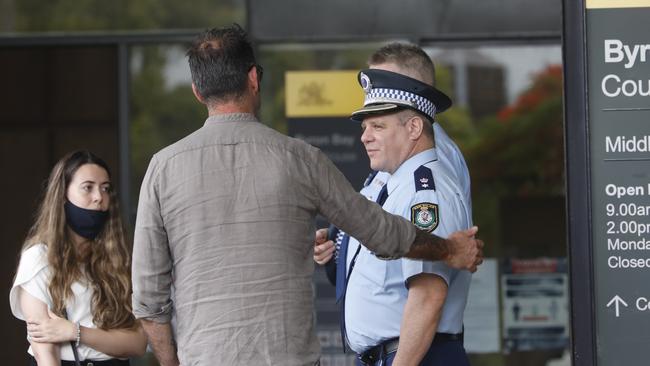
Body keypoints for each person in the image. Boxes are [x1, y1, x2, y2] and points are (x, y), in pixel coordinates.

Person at [131, 24, 483, 366]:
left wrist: (171, 361)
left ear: (197, 91)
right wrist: (448, 249)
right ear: (254, 79)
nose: (367, 136)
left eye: (377, 125)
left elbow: (148, 299)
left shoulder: (162, 169)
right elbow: (381, 232)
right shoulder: (300, 159)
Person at [313, 46, 474, 366]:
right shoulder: (389, 182)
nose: (365, 137)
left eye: (378, 127)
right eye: (365, 127)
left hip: (414, 356)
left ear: (414, 128)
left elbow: (428, 295)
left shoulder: (425, 191)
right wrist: (336, 250)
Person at [10, 150, 147, 366]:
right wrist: (104, 338)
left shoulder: (116, 259)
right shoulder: (38, 258)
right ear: (63, 194)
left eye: (105, 189)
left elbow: (138, 343)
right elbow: (44, 349)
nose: (99, 197)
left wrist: (74, 332)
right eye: (88, 187)